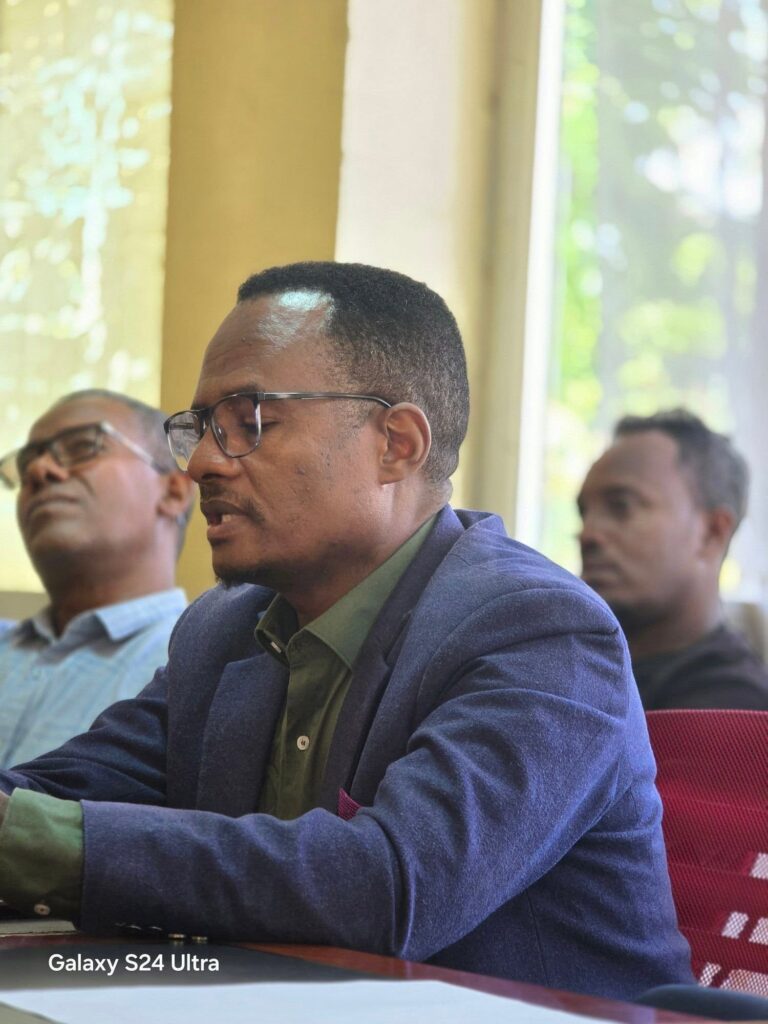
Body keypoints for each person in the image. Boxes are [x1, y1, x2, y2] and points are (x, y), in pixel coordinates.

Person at [0, 263, 691, 999]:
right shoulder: (225, 628)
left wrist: (39, 843)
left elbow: (391, 886)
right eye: (200, 429)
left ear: (397, 444)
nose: (201, 462)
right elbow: (56, 793)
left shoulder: (541, 629)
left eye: (250, 421)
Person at [0, 390, 195, 766]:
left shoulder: (202, 671)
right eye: (25, 465)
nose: (39, 471)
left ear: (173, 491)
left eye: (82, 446)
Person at [578, 409, 768, 710]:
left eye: (621, 506)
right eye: (584, 512)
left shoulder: (736, 715)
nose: (587, 534)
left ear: (711, 533)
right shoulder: (570, 666)